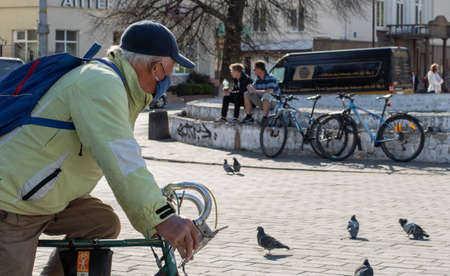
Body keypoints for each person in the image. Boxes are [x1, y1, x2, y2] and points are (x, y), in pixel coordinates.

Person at [0, 21, 200, 276]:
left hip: (48, 199)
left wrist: (156, 203)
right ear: (156, 68)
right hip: (11, 204)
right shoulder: (101, 83)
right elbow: (122, 159)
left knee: (101, 223)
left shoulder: (120, 88)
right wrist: (162, 217)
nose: (168, 81)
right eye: (169, 72)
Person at [241, 60, 280, 124]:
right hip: (263, 102)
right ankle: (249, 116)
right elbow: (253, 90)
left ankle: (265, 118)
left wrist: (255, 91)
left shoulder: (270, 78)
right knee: (246, 94)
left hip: (274, 103)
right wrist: (250, 87)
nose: (253, 70)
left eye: (254, 69)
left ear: (259, 69)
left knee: (267, 95)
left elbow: (271, 91)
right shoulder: (258, 79)